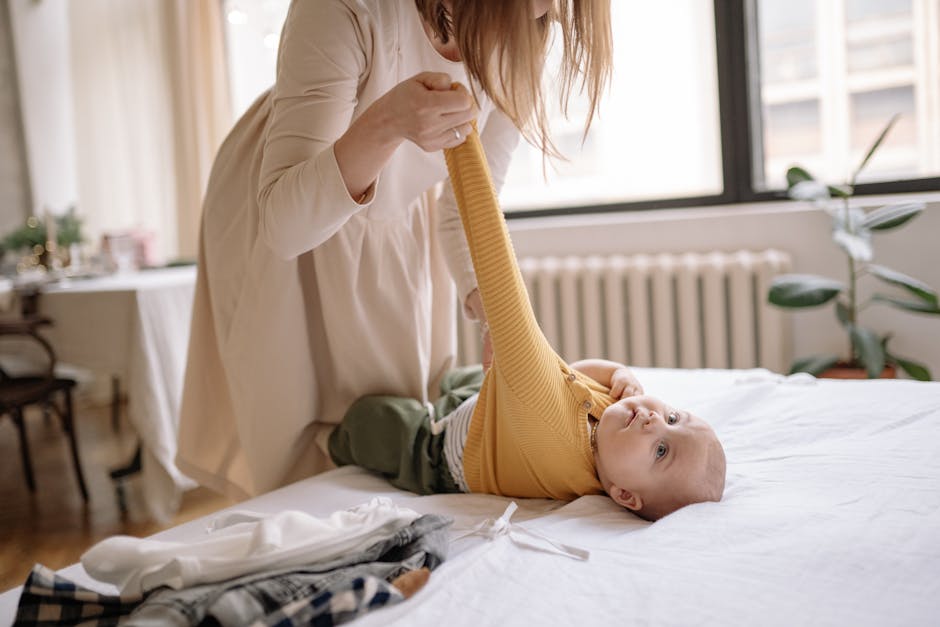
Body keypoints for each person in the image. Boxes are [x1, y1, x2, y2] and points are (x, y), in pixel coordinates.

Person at [177, 0, 614, 500]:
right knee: (297, 452)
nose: (552, 10)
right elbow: (285, 227)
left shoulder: (530, 30)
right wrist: (386, 123)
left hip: (396, 208)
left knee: (389, 430)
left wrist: (493, 311)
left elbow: (467, 201)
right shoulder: (350, 11)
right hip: (291, 203)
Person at [329, 121, 726, 521]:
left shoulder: (556, 440)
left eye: (660, 449)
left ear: (624, 495)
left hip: (444, 451)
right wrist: (616, 372)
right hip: (489, 404)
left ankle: (338, 439)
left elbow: (512, 312)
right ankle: (457, 390)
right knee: (465, 380)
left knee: (373, 420)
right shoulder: (616, 427)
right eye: (674, 416)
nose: (655, 419)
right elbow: (572, 375)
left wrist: (461, 138)